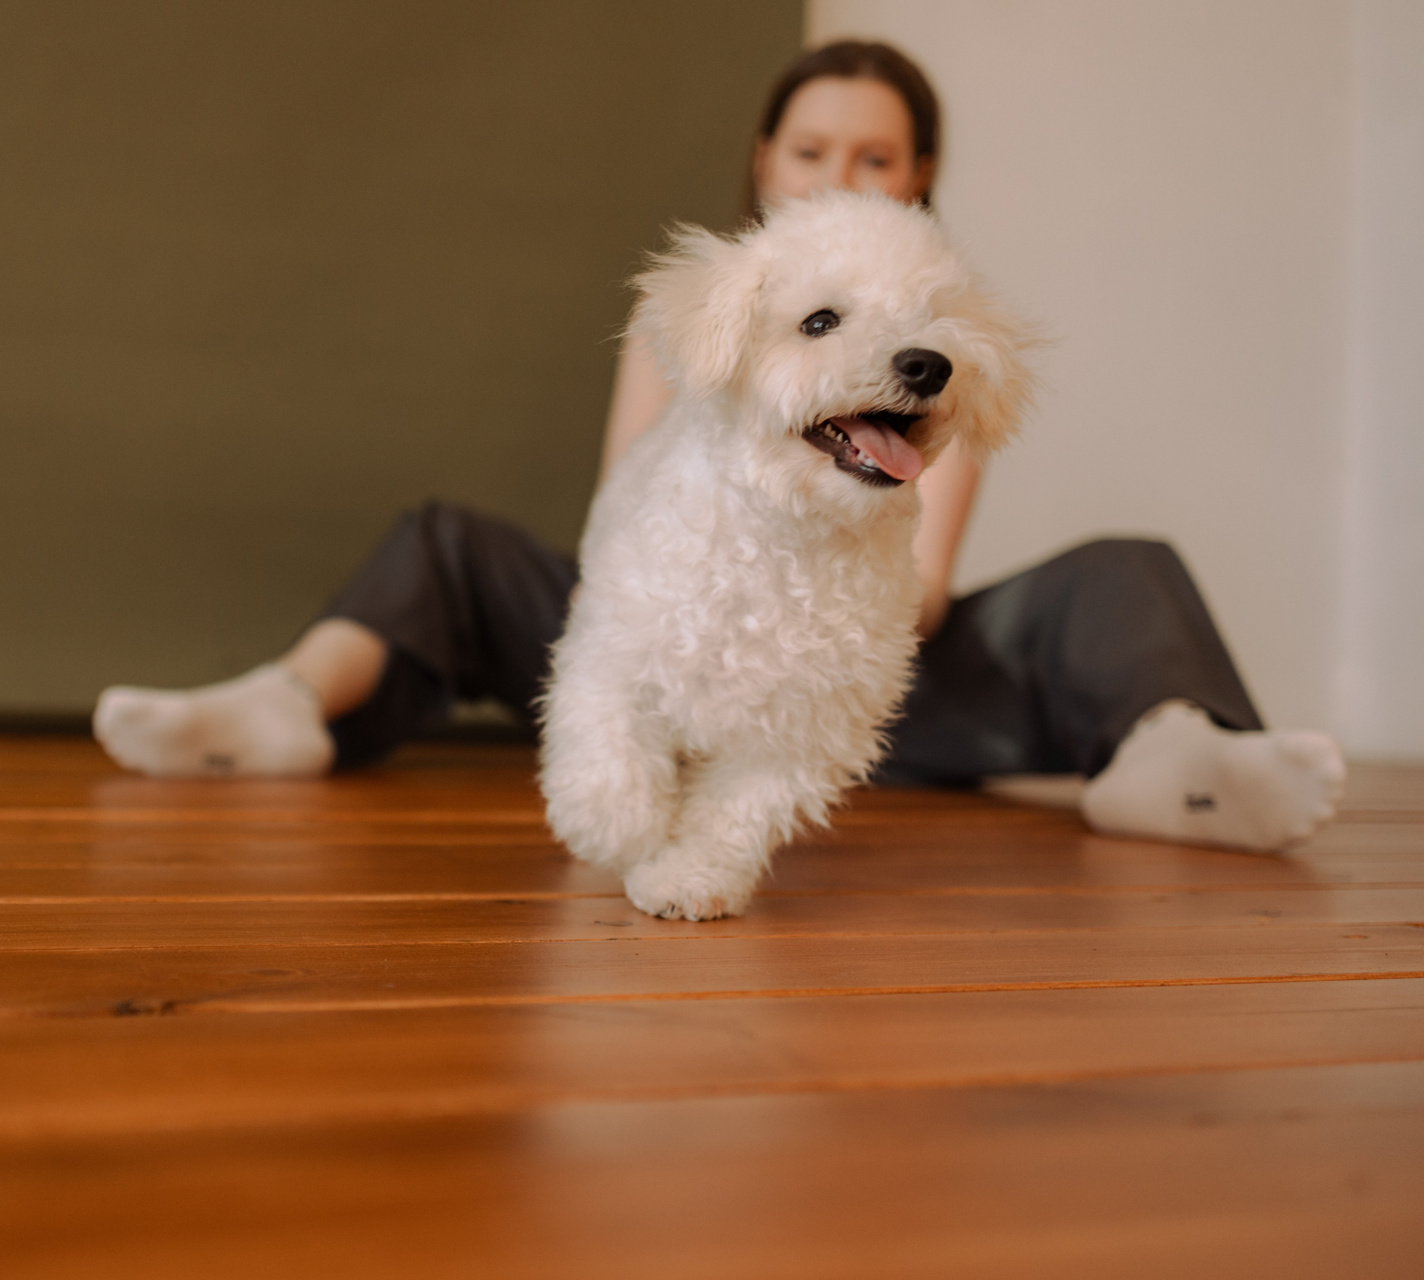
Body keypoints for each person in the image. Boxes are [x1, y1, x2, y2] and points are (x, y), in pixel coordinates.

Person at [94, 40, 1345, 854]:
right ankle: (287, 702)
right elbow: (619, 512)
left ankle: (1178, 756)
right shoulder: (697, 318)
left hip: (862, 668)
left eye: (873, 157)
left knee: (1124, 567)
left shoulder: (941, 347)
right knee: (447, 540)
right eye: (812, 151)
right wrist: (686, 631)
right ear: (765, 161)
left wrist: (800, 630)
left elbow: (920, 589)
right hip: (666, 625)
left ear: (919, 175)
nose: (838, 171)